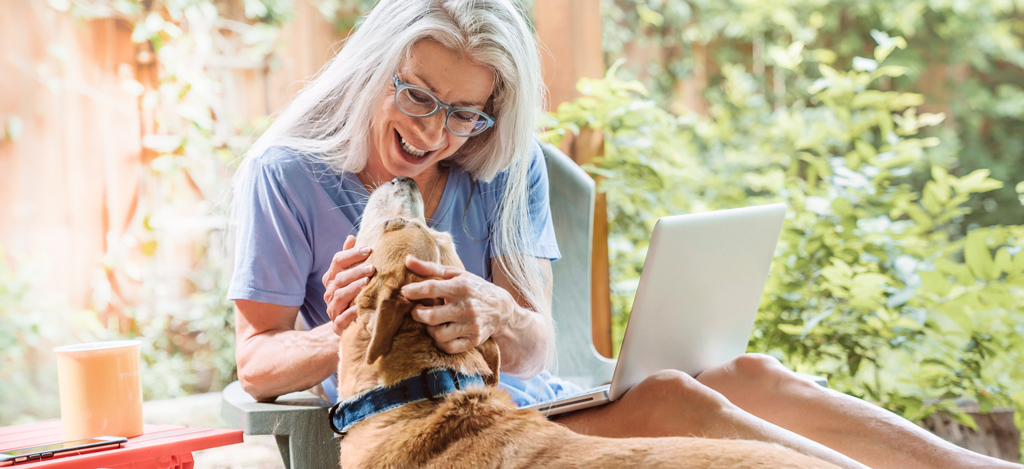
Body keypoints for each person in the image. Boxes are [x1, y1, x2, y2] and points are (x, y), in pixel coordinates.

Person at [228, 0, 1020, 468]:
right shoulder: (287, 173)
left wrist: (498, 315)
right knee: (676, 396)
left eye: (465, 112)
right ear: (374, 67)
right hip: (455, 438)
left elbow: (538, 346)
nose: (437, 132)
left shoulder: (503, 164)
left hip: (535, 404)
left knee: (749, 373)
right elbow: (256, 358)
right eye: (418, 96)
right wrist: (354, 326)